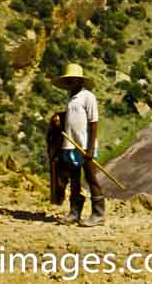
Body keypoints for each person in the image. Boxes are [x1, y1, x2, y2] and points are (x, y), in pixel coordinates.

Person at [53, 63, 105, 227]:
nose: (69, 82)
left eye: (72, 79)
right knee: (74, 179)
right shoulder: (70, 96)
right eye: (67, 80)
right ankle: (74, 213)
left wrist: (89, 149)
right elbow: (72, 118)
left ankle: (98, 214)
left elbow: (93, 123)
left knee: (91, 178)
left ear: (79, 80)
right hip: (70, 145)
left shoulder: (88, 96)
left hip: (85, 146)